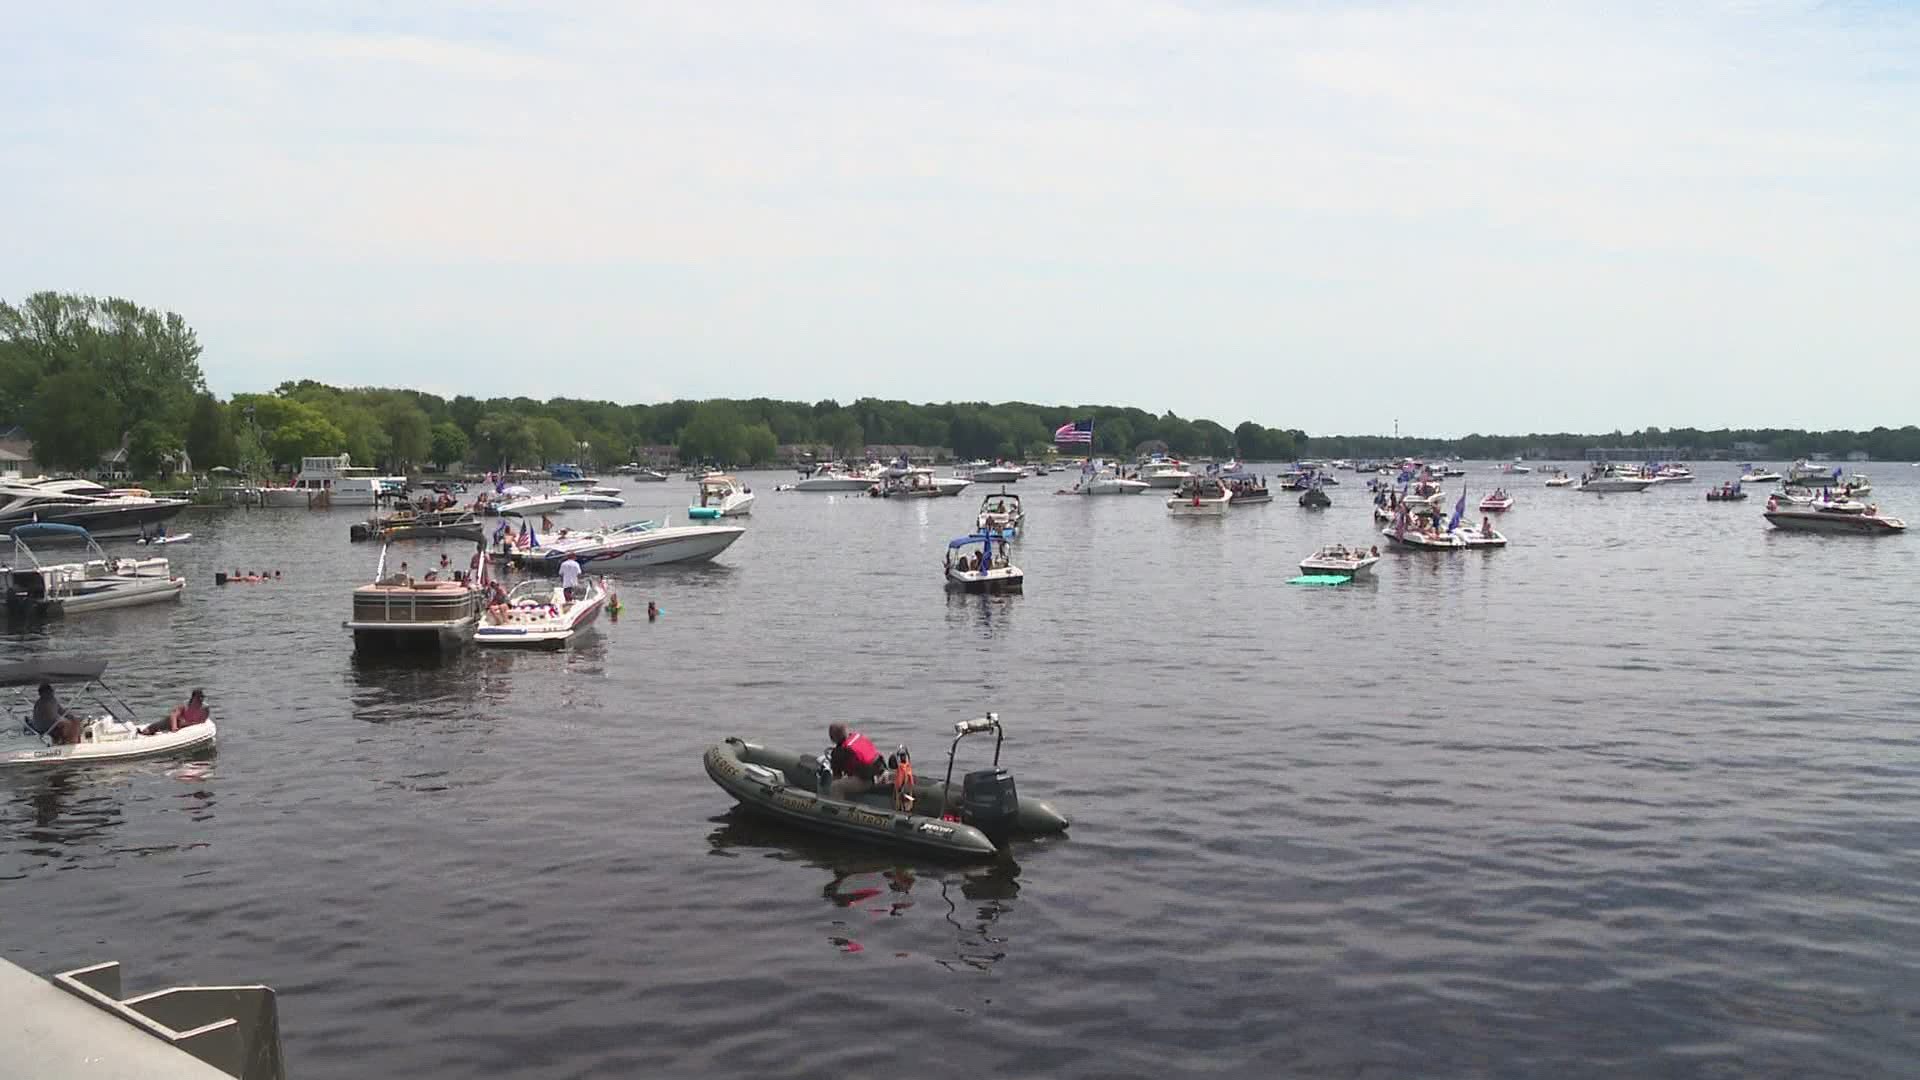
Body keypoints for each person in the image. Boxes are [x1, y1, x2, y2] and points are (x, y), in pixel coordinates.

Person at [826, 722, 884, 799]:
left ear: (833, 738)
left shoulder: (839, 752)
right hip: (880, 772)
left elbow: (837, 776)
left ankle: (837, 808)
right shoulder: (858, 737)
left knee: (835, 786)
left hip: (867, 781)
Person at [142, 689, 209, 736]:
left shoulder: (205, 708)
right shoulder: (185, 705)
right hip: (177, 722)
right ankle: (147, 730)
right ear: (193, 698)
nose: (201, 699)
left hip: (187, 724)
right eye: (198, 697)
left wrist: (187, 724)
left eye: (202, 697)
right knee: (156, 727)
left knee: (181, 723)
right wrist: (174, 726)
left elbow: (202, 721)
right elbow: (173, 715)